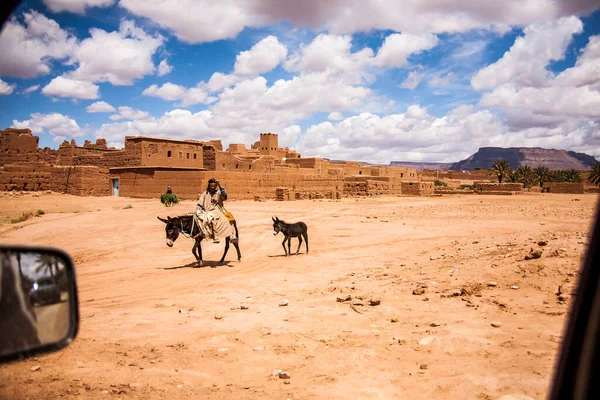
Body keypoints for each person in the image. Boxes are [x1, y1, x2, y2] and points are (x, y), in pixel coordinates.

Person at [197, 178, 237, 243]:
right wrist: (197, 211)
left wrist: (219, 184)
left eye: (214, 186)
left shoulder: (218, 193)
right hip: (208, 211)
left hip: (218, 210)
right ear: (209, 186)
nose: (212, 187)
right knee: (210, 218)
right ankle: (215, 236)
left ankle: (232, 234)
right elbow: (200, 204)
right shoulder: (205, 194)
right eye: (211, 186)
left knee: (229, 218)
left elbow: (224, 195)